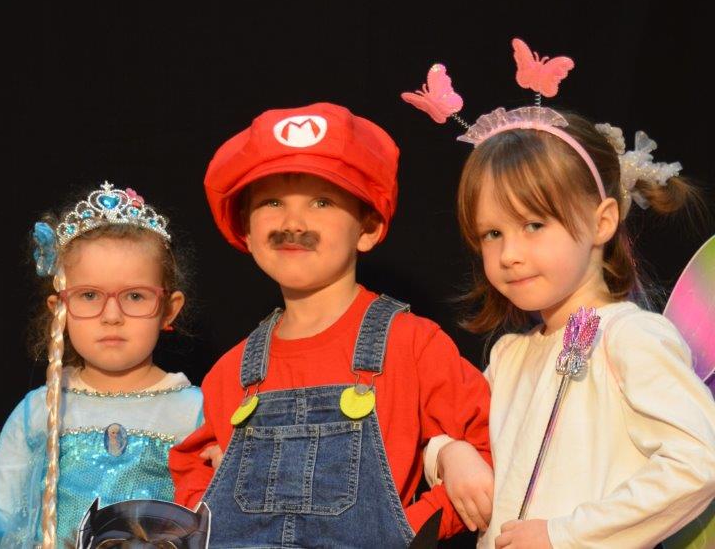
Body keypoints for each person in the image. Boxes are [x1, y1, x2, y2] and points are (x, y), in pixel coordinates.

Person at [408, 39, 715, 548]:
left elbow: (699, 460)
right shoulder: (508, 356)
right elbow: (463, 436)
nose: (509, 253)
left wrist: (564, 535)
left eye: (533, 224)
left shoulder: (631, 337)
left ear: (602, 222)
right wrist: (448, 453)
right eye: (492, 233)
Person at [169, 102, 492, 547]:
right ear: (246, 229)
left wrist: (407, 530)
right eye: (271, 202)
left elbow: (488, 450)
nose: (292, 223)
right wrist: (213, 518)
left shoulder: (413, 346)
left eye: (322, 201)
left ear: (368, 227)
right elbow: (191, 469)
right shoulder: (232, 372)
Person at [0, 182, 203, 548]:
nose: (111, 315)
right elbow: (1, 509)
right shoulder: (40, 409)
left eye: (135, 296)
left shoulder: (195, 412)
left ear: (169, 309)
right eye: (89, 295)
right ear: (59, 310)